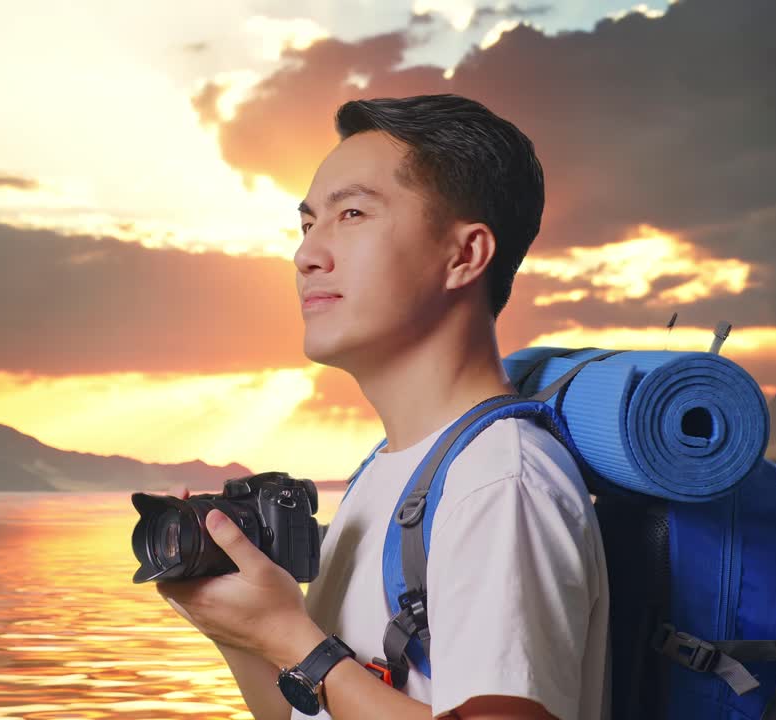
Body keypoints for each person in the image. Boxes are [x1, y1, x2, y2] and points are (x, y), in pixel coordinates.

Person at [156, 93, 610, 720]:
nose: (306, 254)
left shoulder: (500, 483)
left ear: (465, 256)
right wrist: (239, 628)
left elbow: (317, 667)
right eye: (308, 223)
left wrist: (293, 639)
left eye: (352, 214)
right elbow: (307, 712)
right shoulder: (387, 474)